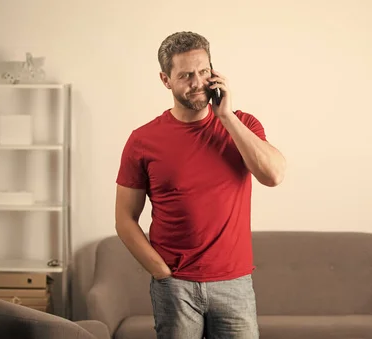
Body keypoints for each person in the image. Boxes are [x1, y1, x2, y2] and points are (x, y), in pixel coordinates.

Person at [114, 31, 286, 339]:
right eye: (185, 75)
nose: (197, 82)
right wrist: (160, 271)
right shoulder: (142, 140)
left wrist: (227, 117)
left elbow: (273, 175)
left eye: (203, 71)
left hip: (234, 282)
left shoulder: (242, 124)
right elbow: (125, 219)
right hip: (175, 285)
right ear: (165, 80)